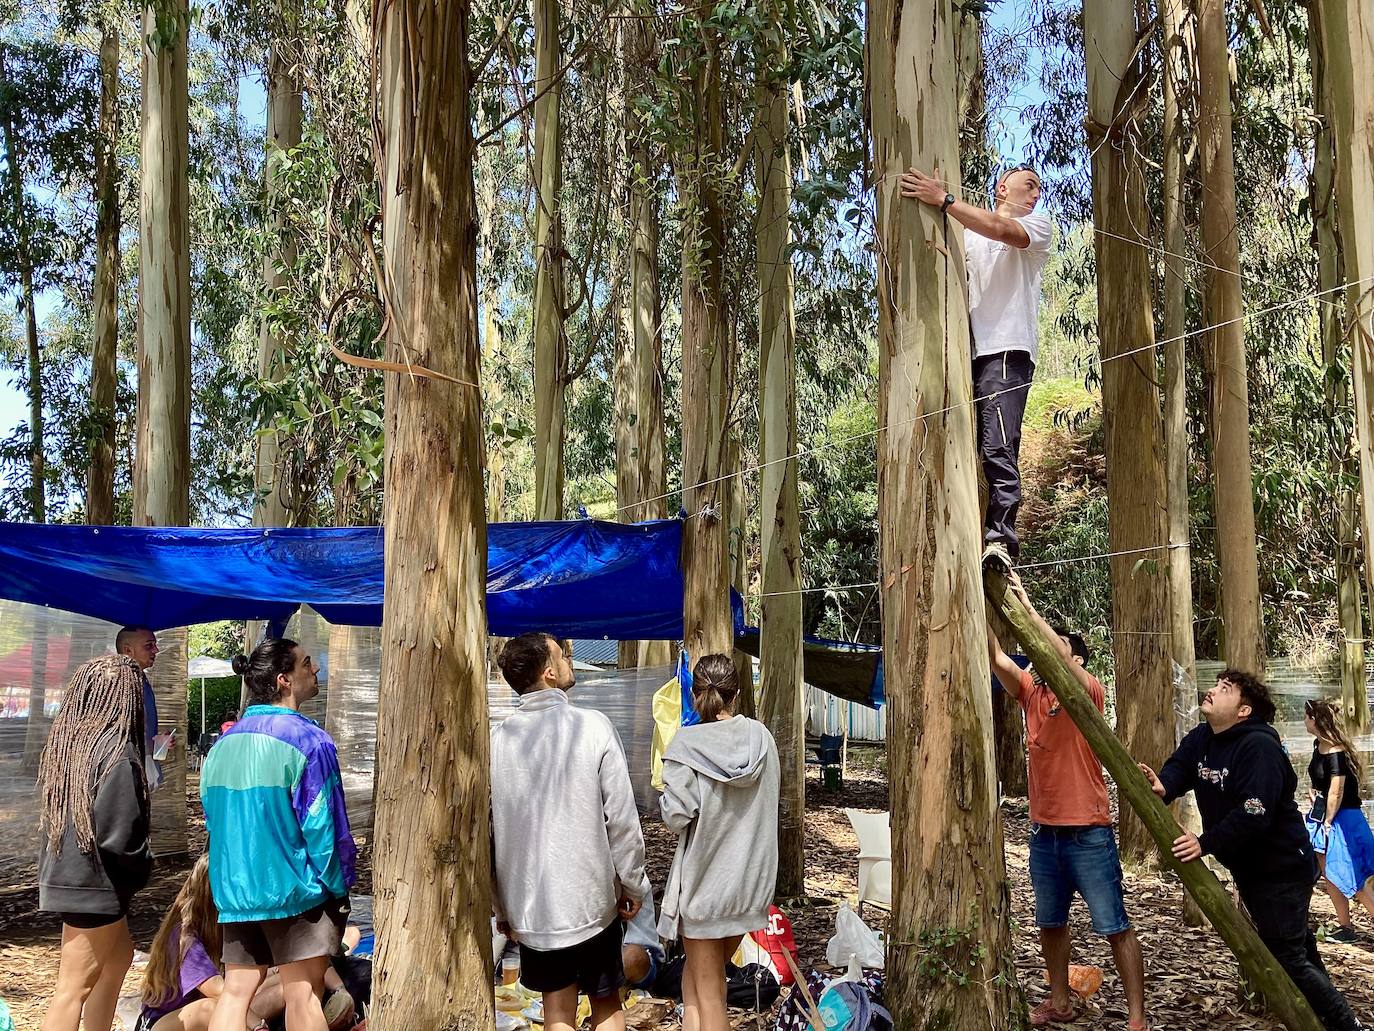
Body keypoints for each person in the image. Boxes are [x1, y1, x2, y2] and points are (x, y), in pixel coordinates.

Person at [1140, 671, 1363, 1031]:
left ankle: (1344, 1024)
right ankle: (1326, 1019)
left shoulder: (1259, 747)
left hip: (1283, 868)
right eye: (1216, 684)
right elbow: (1182, 766)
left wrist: (1204, 842)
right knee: (1298, 949)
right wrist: (1164, 785)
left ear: (1244, 710)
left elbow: (1254, 812)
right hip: (1253, 869)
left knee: (1287, 955)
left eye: (1224, 689)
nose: (1212, 690)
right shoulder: (1203, 737)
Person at [986, 572, 1147, 1030]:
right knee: (1051, 922)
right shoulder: (1030, 695)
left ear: (1074, 659)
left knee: (1114, 923)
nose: (1037, 658)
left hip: (1089, 832)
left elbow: (1054, 653)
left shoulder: (1087, 692)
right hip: (1044, 834)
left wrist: (1026, 603)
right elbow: (995, 656)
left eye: (1053, 649)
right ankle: (1060, 1001)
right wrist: (980, 597)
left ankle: (1137, 1019)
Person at [490, 632, 650, 1031]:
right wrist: (633, 884)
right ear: (549, 672)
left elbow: (489, 836)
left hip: (533, 907)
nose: (569, 659)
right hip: (591, 904)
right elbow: (622, 820)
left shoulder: (497, 741)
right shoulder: (593, 726)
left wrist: (503, 906)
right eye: (562, 655)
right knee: (607, 1003)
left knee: (556, 1011)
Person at [899, 163, 1054, 568]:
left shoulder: (1038, 228)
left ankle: (1001, 540)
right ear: (1002, 187)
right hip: (964, 355)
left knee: (999, 445)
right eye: (1029, 186)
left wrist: (945, 199)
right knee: (963, 444)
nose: (1036, 195)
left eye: (1039, 189)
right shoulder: (967, 237)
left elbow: (1001, 231)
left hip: (1008, 352)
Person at [201, 639, 357, 1031]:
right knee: (302, 995)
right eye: (308, 663)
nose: (316, 668)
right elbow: (325, 828)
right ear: (285, 680)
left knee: (236, 993)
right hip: (295, 891)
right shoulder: (310, 741)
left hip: (236, 892)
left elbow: (213, 820)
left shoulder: (223, 745)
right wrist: (339, 886)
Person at [658, 654, 780, 1031]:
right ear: (736, 692)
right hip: (749, 887)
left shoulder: (686, 745)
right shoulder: (762, 739)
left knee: (712, 998)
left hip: (705, 890)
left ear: (694, 695)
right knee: (692, 982)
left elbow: (676, 815)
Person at [37, 654, 154, 1031]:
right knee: (72, 989)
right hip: (95, 886)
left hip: (71, 876)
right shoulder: (118, 755)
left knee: (118, 959)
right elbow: (120, 840)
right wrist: (145, 866)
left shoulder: (73, 749)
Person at [137, 855, 355, 1031]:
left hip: (216, 1009)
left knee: (291, 983)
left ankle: (331, 1004)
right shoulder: (183, 937)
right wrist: (255, 1023)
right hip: (166, 1022)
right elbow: (218, 990)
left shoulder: (225, 929)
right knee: (217, 1006)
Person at [1303, 699, 1374, 941]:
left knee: (1355, 877)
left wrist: (1328, 821)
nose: (1304, 721)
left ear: (1315, 720)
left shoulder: (1336, 753)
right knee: (1330, 872)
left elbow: (1337, 790)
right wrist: (1314, 794)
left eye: (1306, 716)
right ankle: (1346, 927)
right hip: (1324, 817)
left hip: (1343, 821)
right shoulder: (1318, 746)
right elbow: (1321, 783)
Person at [116, 625, 163, 790]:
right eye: (149, 645)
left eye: (155, 645)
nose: (156, 650)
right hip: (125, 775)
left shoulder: (142, 680)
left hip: (142, 771)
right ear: (128, 650)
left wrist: (156, 741)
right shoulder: (118, 683)